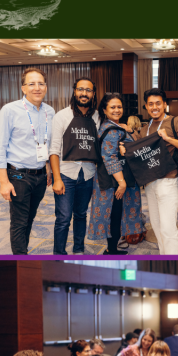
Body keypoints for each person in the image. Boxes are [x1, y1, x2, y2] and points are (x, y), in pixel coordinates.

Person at [0, 67, 54, 255]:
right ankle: (20, 257)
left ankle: (23, 251)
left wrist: (49, 169)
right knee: (19, 222)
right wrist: (4, 182)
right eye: (31, 84)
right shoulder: (10, 110)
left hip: (41, 175)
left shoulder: (50, 112)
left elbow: (47, 143)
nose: (37, 88)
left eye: (41, 83)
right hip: (18, 175)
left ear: (46, 87)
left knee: (30, 218)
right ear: (23, 88)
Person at [130, 89, 178, 255]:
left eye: (158, 103)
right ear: (146, 106)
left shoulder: (176, 122)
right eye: (150, 104)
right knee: (157, 227)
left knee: (168, 229)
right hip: (150, 183)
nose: (154, 107)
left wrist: (169, 139)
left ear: (165, 104)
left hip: (169, 181)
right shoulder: (145, 129)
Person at [49, 77, 101, 255]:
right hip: (66, 174)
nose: (84, 93)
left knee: (81, 214)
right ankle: (59, 253)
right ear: (74, 91)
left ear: (93, 94)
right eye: (81, 89)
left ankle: (79, 249)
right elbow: (54, 150)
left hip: (87, 174)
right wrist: (56, 178)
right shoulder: (62, 116)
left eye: (88, 90)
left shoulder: (97, 117)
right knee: (63, 218)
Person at [89, 93, 143, 255]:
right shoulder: (112, 131)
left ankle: (111, 248)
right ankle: (111, 250)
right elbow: (109, 157)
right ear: (104, 110)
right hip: (113, 180)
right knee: (115, 214)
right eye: (112, 107)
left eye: (119, 107)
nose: (117, 110)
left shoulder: (110, 126)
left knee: (115, 213)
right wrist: (122, 182)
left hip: (111, 178)